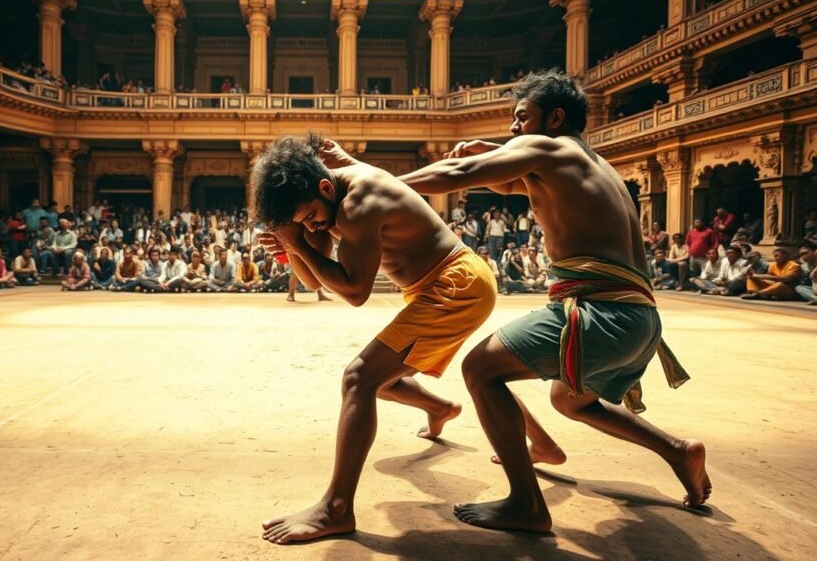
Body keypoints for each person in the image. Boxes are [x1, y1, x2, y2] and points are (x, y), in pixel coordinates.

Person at [396, 69, 708, 533]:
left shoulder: (550, 149)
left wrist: (367, 185)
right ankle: (677, 450)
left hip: (599, 315)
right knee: (572, 402)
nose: (514, 128)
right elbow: (505, 182)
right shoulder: (593, 164)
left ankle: (526, 504)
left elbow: (457, 174)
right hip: (640, 321)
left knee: (480, 369)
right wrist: (493, 152)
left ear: (555, 118)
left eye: (522, 117)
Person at [253, 132, 497, 544]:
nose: (311, 225)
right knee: (381, 380)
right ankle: (441, 407)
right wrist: (292, 247)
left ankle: (336, 508)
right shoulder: (323, 201)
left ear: (325, 188)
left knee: (359, 378)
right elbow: (315, 280)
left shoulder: (358, 202)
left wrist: (299, 245)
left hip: (457, 283)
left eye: (310, 216)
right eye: (302, 222)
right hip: (434, 285)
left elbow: (354, 292)